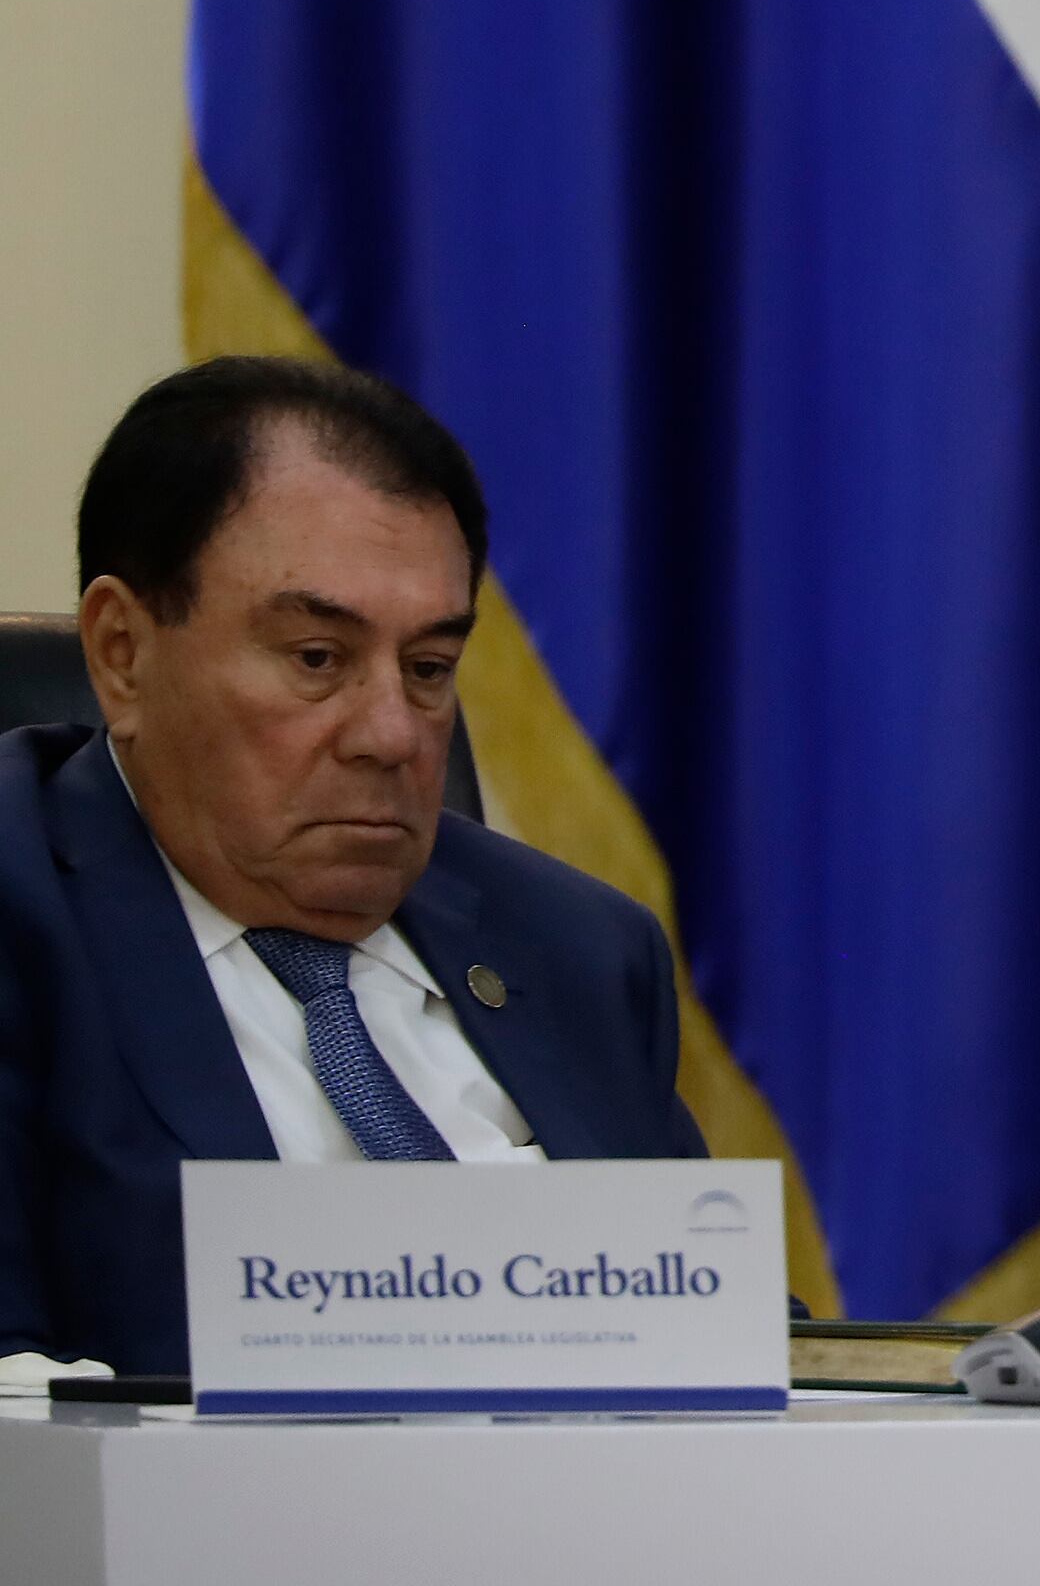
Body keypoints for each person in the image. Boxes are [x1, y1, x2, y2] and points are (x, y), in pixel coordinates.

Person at [0, 360, 705, 1371]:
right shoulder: (24, 913)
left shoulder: (579, 950)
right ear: (122, 652)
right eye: (317, 658)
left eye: (428, 669)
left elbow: (726, 1347)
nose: (391, 734)